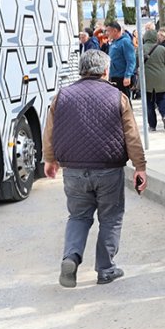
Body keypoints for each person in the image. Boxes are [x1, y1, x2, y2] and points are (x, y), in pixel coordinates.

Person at [43, 49, 147, 287]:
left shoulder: (62, 96)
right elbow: (131, 135)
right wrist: (140, 166)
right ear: (106, 70)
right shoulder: (117, 96)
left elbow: (49, 132)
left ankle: (70, 257)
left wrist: (50, 160)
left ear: (81, 70)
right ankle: (106, 269)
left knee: (78, 216)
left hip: (73, 170)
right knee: (111, 217)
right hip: (108, 170)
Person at [142, 27, 165, 131]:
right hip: (161, 79)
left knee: (149, 104)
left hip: (147, 80)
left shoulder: (140, 49)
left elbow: (137, 63)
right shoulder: (161, 48)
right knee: (162, 100)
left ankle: (152, 125)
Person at [105, 21, 136, 95]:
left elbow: (131, 60)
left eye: (108, 31)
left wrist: (127, 75)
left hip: (122, 77)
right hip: (114, 76)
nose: (107, 33)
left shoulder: (125, 42)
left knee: (124, 100)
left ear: (115, 31)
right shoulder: (113, 42)